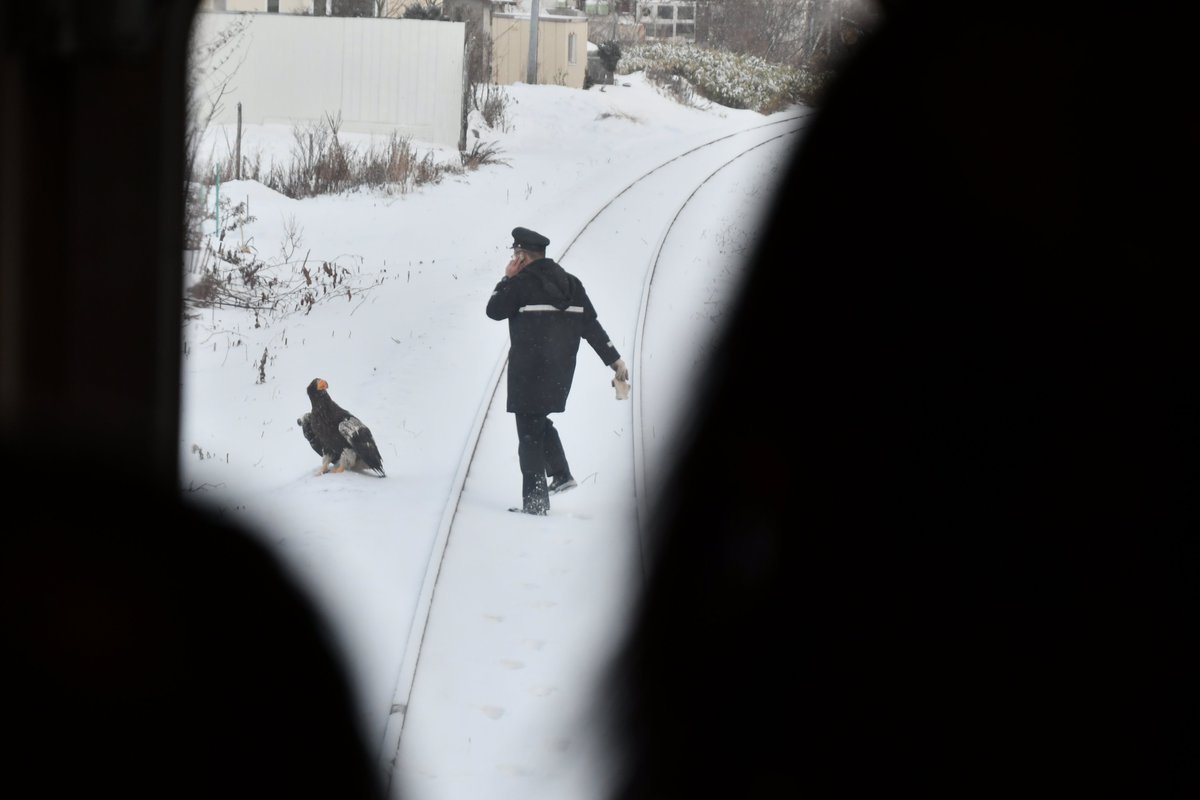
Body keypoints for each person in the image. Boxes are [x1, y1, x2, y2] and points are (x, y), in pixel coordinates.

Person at [486, 226, 629, 515]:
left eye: (516, 255)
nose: (515, 260)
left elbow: (494, 310)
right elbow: (590, 326)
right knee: (536, 421)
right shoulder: (572, 284)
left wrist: (506, 279)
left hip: (528, 371)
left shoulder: (520, 283)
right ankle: (562, 475)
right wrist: (614, 360)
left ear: (522, 257)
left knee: (528, 434)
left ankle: (536, 503)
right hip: (559, 372)